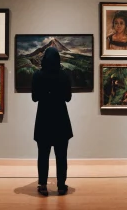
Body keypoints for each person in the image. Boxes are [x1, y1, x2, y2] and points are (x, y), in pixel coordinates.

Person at [32, 47, 73, 196]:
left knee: (43, 154)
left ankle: (42, 185)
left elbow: (34, 98)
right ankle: (61, 186)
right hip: (61, 118)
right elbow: (68, 98)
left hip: (43, 118)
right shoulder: (64, 75)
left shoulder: (38, 75)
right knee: (61, 155)